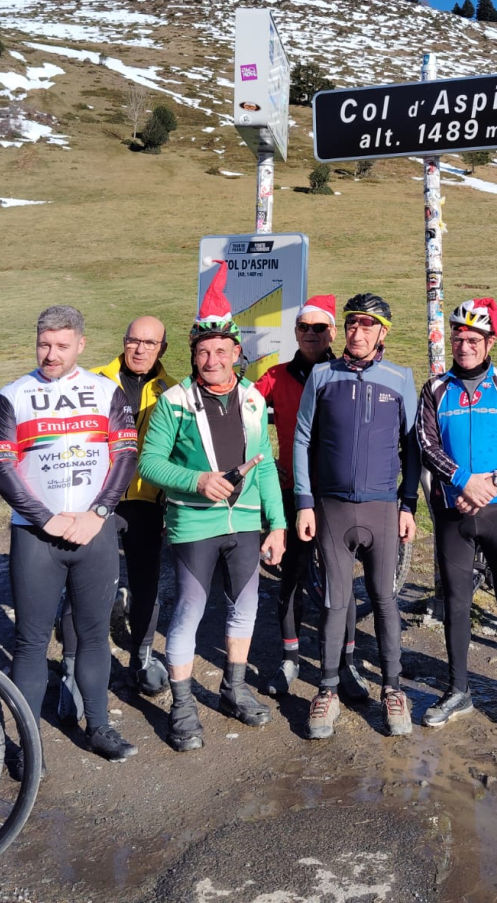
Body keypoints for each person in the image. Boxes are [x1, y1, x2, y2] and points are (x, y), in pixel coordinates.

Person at [138, 263, 286, 751]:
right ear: (193, 355)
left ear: (236, 354)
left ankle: (233, 688)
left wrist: (277, 524)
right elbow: (150, 463)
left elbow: (263, 466)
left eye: (221, 351)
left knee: (245, 607)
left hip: (243, 523)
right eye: (203, 351)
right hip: (192, 524)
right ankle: (182, 707)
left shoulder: (249, 399)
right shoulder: (174, 402)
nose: (212, 359)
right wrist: (197, 480)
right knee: (189, 612)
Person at [0, 305, 140, 768]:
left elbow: (125, 455)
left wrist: (98, 513)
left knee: (94, 636)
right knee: (30, 643)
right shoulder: (12, 395)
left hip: (94, 531)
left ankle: (100, 727)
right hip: (37, 535)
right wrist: (45, 518)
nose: (51, 354)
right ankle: (28, 747)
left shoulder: (105, 391)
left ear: (81, 345)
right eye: (44, 344)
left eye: (61, 346)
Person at [294, 292, 420, 740]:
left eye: (368, 325)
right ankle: (327, 688)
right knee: (334, 600)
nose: (358, 332)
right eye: (352, 324)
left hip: (383, 507)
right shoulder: (323, 375)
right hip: (331, 507)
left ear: (383, 332)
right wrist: (305, 502)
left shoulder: (400, 378)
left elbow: (413, 448)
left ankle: (392, 688)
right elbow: (302, 438)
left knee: (385, 600)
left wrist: (408, 505)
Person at [416, 298, 497, 734]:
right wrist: (463, 481)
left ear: (490, 343)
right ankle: (458, 690)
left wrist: (492, 484)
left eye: (473, 339)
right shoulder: (434, 389)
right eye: (458, 338)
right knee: (456, 603)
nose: (464, 346)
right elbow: (426, 446)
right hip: (455, 510)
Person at [57, 316, 177, 723]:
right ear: (123, 342)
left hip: (146, 504)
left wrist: (170, 502)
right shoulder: (91, 382)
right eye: (133, 340)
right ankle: (72, 673)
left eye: (149, 343)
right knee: (84, 588)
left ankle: (140, 659)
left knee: (145, 586)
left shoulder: (173, 391)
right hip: (98, 504)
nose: (139, 349)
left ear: (162, 348)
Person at [255, 296, 368, 702]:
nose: (310, 334)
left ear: (332, 332)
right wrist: (268, 465)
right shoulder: (276, 375)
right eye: (303, 327)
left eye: (319, 328)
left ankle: (346, 664)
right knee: (293, 577)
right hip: (292, 493)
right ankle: (290, 659)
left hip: (339, 494)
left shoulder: (348, 374)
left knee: (342, 583)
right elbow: (242, 413)